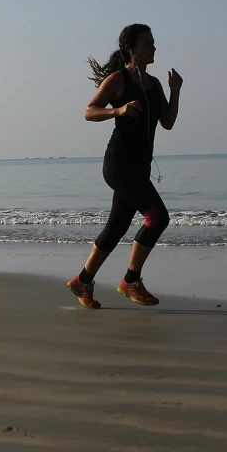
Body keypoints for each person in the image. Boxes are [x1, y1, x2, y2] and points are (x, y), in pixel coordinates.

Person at [67, 24, 182, 309]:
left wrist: (175, 91)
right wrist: (117, 110)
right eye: (147, 44)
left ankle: (83, 280)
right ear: (131, 48)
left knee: (117, 226)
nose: (153, 48)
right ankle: (131, 280)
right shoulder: (118, 79)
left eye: (153, 43)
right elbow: (89, 111)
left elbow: (167, 122)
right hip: (119, 164)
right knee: (157, 217)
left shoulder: (154, 84)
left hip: (140, 167)